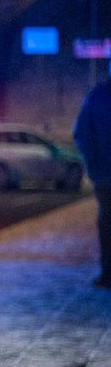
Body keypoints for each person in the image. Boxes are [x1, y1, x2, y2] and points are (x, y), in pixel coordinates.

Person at [74, 61, 111, 288]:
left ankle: (108, 273)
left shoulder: (97, 97)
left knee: (107, 224)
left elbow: (81, 134)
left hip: (106, 176)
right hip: (105, 174)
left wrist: (95, 166)